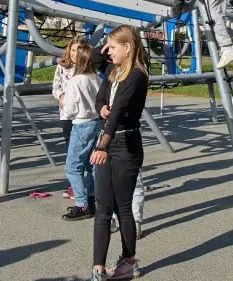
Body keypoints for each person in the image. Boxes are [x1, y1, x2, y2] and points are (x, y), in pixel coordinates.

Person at [89, 25, 147, 281]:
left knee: (123, 208)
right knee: (102, 207)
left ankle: (129, 261)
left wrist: (102, 145)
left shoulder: (136, 76)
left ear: (128, 47)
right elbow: (93, 60)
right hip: (108, 142)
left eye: (113, 47)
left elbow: (120, 109)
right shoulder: (112, 71)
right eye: (108, 47)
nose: (108, 52)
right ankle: (97, 268)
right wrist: (101, 106)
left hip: (125, 145)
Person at [60, 42, 102, 221]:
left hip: (81, 122)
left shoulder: (76, 81)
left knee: (72, 167)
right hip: (96, 122)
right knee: (90, 165)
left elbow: (69, 110)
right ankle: (92, 200)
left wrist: (63, 102)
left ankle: (82, 204)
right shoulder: (97, 79)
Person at [54, 36, 90, 199]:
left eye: (78, 50)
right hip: (67, 114)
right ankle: (75, 184)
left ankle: (81, 189)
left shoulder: (87, 68)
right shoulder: (62, 67)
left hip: (83, 115)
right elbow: (56, 86)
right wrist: (61, 95)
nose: (75, 53)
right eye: (73, 50)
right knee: (71, 149)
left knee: (82, 151)